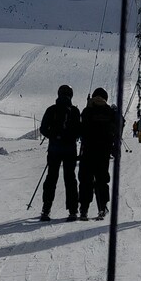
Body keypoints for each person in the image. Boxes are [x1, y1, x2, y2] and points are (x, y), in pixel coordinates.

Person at [38, 84, 82, 221]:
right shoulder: (75, 111)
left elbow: (43, 129)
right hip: (70, 150)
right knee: (70, 179)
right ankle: (73, 211)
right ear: (71, 95)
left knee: (51, 178)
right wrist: (71, 137)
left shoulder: (51, 109)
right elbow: (79, 130)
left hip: (54, 149)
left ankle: (46, 209)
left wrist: (53, 136)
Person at [79, 87, 119, 220]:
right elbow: (116, 129)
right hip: (103, 152)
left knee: (86, 180)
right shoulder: (109, 111)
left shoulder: (87, 111)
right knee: (102, 180)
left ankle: (84, 209)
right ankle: (102, 207)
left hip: (88, 151)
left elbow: (81, 129)